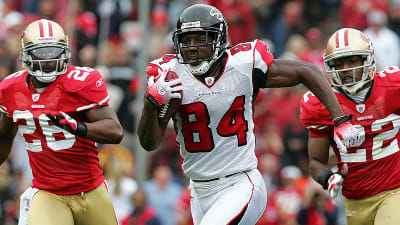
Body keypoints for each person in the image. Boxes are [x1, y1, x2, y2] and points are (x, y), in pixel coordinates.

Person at [137, 4, 359, 225]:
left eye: (200, 38)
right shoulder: (171, 76)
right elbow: (149, 143)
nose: (192, 47)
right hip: (197, 190)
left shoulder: (242, 65)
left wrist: (340, 120)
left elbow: (306, 71)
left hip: (240, 184)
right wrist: (152, 103)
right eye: (187, 40)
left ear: (218, 40)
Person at [0, 19, 124, 225]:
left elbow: (115, 131)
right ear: (26, 54)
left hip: (90, 190)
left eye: (53, 52)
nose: (48, 60)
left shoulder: (81, 83)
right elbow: (4, 135)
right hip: (48, 192)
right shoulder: (10, 89)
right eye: (41, 52)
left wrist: (77, 127)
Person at [300, 27, 400, 225]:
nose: (345, 69)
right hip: (355, 200)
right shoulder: (319, 105)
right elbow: (315, 162)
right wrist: (327, 178)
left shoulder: (393, 87)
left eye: (352, 61)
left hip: (395, 190)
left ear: (368, 60)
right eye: (338, 63)